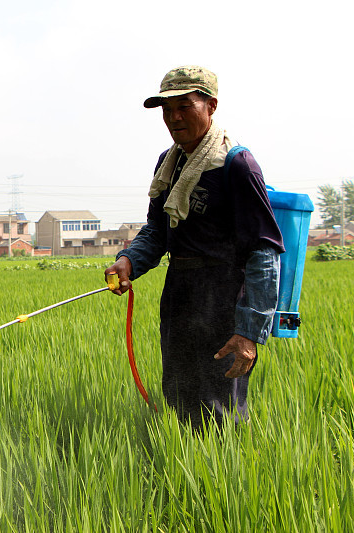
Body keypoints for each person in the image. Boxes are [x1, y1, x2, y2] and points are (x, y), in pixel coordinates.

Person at [104, 66, 284, 428]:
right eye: (167, 110)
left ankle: (222, 479)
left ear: (211, 106)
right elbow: (158, 229)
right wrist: (128, 260)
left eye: (184, 106)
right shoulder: (169, 164)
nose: (174, 118)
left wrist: (249, 331)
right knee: (178, 394)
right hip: (180, 291)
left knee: (219, 405)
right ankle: (182, 471)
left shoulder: (236, 164)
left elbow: (264, 252)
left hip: (222, 294)